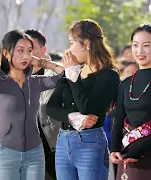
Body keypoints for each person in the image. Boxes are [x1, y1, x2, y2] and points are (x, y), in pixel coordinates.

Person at [0, 29, 64, 180]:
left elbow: (63, 74)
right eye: (20, 50)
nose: (26, 56)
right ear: (6, 53)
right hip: (6, 153)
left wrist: (40, 61)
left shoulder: (35, 82)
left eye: (29, 51)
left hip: (35, 154)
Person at [46, 19, 120, 180]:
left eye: (72, 43)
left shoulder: (109, 75)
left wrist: (73, 74)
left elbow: (88, 108)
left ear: (86, 43)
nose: (69, 49)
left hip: (90, 143)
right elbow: (51, 107)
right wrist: (73, 117)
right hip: (63, 141)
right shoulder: (73, 71)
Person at [110, 23, 151, 180]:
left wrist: (138, 151)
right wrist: (114, 148)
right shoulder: (126, 83)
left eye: (146, 45)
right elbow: (118, 118)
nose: (139, 51)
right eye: (135, 45)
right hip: (127, 154)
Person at [25, 29, 60, 180]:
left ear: (44, 49)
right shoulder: (17, 77)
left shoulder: (55, 73)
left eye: (32, 49)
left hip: (55, 149)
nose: (28, 54)